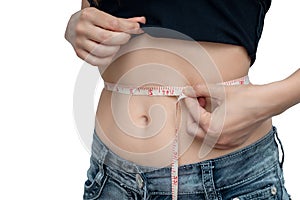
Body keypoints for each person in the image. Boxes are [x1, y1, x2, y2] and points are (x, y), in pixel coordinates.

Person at [65, 0, 299, 199]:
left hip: (231, 179)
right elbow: (94, 10)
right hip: (112, 177)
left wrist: (267, 102)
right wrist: (79, 22)